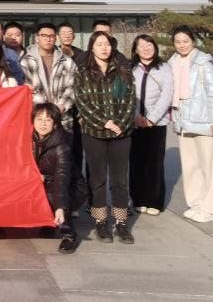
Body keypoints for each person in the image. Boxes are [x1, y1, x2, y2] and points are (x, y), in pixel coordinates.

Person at [74, 31, 136, 244]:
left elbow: (130, 101)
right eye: (99, 44)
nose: (104, 48)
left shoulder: (123, 71)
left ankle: (121, 223)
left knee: (120, 180)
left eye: (107, 44)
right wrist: (104, 122)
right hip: (94, 133)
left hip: (121, 134)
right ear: (92, 47)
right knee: (98, 179)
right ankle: (101, 222)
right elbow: (82, 103)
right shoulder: (83, 73)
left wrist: (121, 124)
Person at [167, 26, 213, 223]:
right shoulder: (173, 62)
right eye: (178, 42)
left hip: (203, 119)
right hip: (183, 119)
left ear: (193, 41)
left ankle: (209, 207)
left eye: (186, 41)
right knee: (190, 165)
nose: (182, 45)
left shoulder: (203, 62)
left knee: (208, 166)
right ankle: (195, 203)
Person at [130, 34, 174, 215]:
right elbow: (126, 94)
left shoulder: (164, 68)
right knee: (136, 162)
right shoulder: (130, 68)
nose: (146, 48)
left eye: (149, 45)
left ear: (155, 47)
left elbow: (167, 95)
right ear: (135, 49)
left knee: (155, 162)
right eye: (141, 45)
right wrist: (135, 116)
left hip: (157, 123)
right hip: (134, 122)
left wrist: (151, 119)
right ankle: (138, 199)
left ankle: (154, 201)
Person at [32, 103, 79, 254]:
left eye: (48, 120)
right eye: (39, 119)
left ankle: (68, 234)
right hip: (41, 181)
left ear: (55, 123)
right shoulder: (28, 138)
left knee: (53, 196)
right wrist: (33, 174)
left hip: (69, 186)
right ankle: (48, 223)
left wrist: (61, 207)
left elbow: (62, 176)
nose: (43, 124)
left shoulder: (62, 145)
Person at [20, 22, 77, 122]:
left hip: (63, 118)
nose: (48, 39)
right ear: (37, 38)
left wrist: (62, 106)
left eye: (51, 36)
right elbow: (25, 88)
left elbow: (73, 86)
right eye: (44, 36)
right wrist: (42, 111)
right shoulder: (26, 62)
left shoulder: (66, 61)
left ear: (56, 38)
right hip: (38, 119)